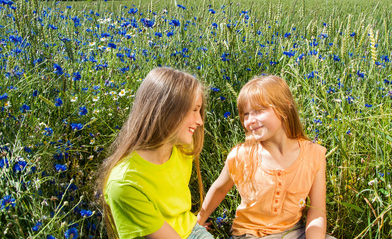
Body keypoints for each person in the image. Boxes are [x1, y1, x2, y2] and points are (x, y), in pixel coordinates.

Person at [197, 75, 331, 239]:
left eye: (259, 111)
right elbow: (219, 189)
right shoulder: (242, 156)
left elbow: (317, 211)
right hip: (250, 234)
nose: (250, 120)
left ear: (285, 107)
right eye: (246, 114)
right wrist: (197, 223)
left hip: (294, 232)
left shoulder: (314, 154)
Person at [97, 67, 214, 239]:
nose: (200, 121)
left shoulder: (182, 149)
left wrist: (192, 227)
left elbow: (173, 210)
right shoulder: (125, 183)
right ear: (166, 111)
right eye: (194, 110)